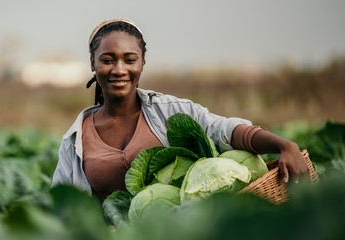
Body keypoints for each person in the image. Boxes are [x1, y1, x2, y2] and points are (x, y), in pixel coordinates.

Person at [51, 18, 309, 201]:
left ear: (142, 63)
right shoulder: (76, 139)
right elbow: (65, 205)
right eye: (108, 60)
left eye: (130, 60)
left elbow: (224, 130)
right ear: (93, 64)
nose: (119, 70)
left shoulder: (171, 112)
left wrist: (285, 145)